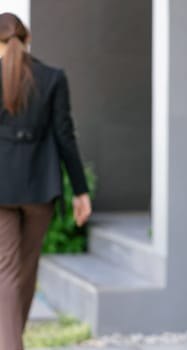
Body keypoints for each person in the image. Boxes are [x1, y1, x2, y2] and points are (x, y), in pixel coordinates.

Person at [0, 13, 92, 350]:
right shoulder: (53, 77)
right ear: (29, 38)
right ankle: (12, 340)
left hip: (2, 187)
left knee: (6, 272)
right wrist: (80, 190)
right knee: (25, 269)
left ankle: (9, 342)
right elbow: (65, 137)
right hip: (40, 185)